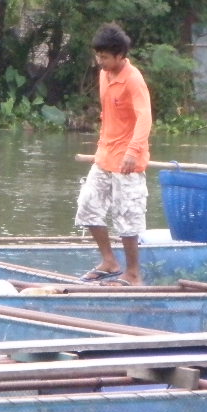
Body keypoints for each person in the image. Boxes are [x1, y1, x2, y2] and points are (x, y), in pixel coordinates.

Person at [74, 23, 153, 286]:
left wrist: (133, 150)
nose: (100, 61)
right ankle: (109, 261)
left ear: (120, 55)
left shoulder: (133, 79)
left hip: (128, 160)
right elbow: (108, 114)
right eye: (98, 56)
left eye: (105, 57)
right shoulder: (104, 75)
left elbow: (145, 117)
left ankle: (133, 273)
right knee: (88, 206)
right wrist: (101, 145)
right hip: (105, 155)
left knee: (127, 215)